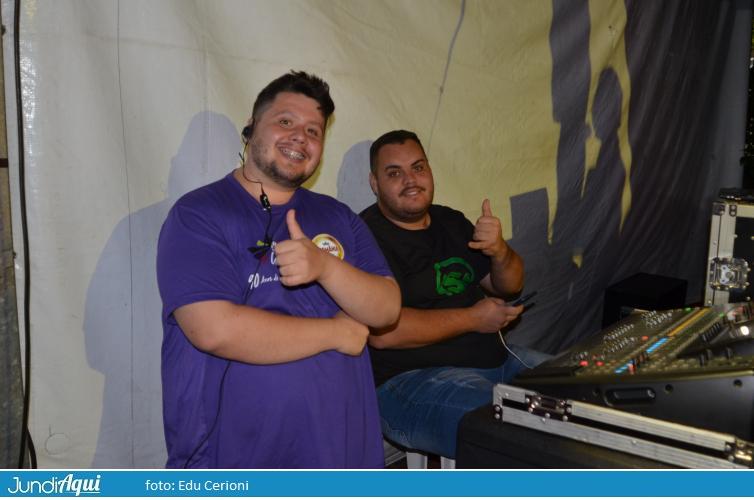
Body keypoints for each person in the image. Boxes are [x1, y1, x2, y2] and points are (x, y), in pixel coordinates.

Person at [156, 71, 401, 468]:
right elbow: (213, 329)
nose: (300, 137)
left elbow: (387, 308)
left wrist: (325, 267)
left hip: (340, 452)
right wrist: (337, 333)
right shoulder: (198, 214)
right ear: (252, 127)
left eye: (313, 130)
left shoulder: (338, 216)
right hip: (235, 458)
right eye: (285, 121)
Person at [361, 129, 549, 460]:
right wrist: (474, 319)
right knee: (517, 432)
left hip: (495, 362)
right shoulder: (363, 237)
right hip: (410, 382)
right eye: (394, 173)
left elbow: (508, 286)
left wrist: (499, 250)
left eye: (418, 167)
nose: (410, 180)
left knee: (587, 395)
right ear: (374, 183)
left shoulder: (450, 220)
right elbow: (384, 333)